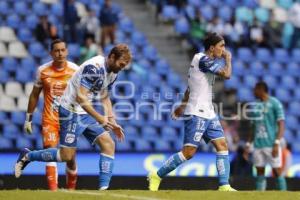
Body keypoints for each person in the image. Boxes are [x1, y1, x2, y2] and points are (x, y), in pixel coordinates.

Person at [15, 44, 132, 190]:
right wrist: (101, 118)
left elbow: (104, 95)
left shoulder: (113, 72)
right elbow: (81, 98)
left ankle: (104, 190)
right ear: (112, 57)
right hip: (70, 111)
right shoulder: (94, 68)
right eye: (121, 64)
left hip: (84, 112)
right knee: (66, 156)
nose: (122, 67)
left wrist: (112, 120)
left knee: (108, 144)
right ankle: (28, 156)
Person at [147, 32, 236, 191]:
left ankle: (224, 185)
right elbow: (227, 74)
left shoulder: (203, 61)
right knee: (188, 153)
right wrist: (228, 59)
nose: (224, 49)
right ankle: (157, 175)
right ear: (211, 48)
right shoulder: (203, 59)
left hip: (208, 111)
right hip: (197, 112)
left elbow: (190, 87)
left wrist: (182, 105)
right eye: (221, 46)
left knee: (222, 144)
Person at [23, 39, 79, 190]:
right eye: (56, 50)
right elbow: (34, 95)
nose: (60, 53)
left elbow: (83, 95)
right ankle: (53, 194)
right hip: (50, 119)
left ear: (67, 51)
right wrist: (28, 118)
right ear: (51, 53)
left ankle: (71, 192)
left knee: (71, 159)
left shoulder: (75, 70)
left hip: (69, 119)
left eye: (62, 50)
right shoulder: (42, 71)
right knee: (50, 152)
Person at [245, 81, 287, 191]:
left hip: (271, 143)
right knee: (259, 170)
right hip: (258, 144)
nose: (253, 92)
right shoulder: (255, 106)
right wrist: (248, 144)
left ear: (261, 90)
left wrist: (277, 143)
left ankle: (284, 195)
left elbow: (281, 124)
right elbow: (252, 127)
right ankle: (260, 195)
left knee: (277, 171)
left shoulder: (275, 103)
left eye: (255, 90)